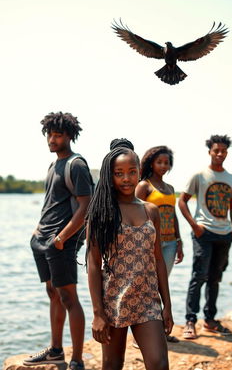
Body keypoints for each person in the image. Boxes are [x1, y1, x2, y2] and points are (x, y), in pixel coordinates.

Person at [86, 147, 173, 370]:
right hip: (114, 299)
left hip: (147, 299)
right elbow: (94, 264)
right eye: (119, 173)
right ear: (110, 176)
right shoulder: (102, 212)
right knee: (113, 364)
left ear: (139, 172)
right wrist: (98, 313)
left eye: (132, 171)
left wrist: (167, 306)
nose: (126, 178)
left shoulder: (151, 210)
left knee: (159, 364)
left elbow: (159, 260)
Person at [23, 112, 93, 369]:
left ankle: (77, 359)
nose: (52, 139)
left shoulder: (77, 164)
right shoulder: (54, 165)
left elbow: (85, 206)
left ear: (69, 136)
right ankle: (55, 351)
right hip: (42, 239)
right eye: (50, 135)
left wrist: (62, 238)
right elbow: (51, 203)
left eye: (58, 135)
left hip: (61, 241)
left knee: (68, 297)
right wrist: (37, 231)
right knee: (53, 293)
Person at [178, 135, 232, 339]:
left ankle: (210, 320)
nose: (220, 153)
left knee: (215, 278)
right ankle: (190, 321)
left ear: (227, 153)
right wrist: (195, 226)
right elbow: (182, 201)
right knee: (199, 276)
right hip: (204, 233)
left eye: (223, 150)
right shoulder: (200, 175)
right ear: (210, 152)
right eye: (216, 150)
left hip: (224, 234)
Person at [135, 145, 183, 343]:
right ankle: (142, 337)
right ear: (151, 163)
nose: (163, 166)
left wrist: (179, 241)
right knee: (147, 287)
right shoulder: (144, 186)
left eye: (166, 163)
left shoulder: (170, 189)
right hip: (149, 244)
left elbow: (173, 215)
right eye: (159, 162)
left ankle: (160, 331)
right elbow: (133, 213)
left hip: (170, 243)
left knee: (161, 286)